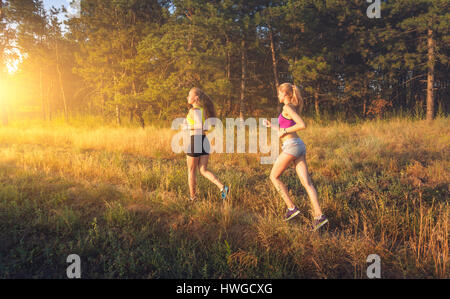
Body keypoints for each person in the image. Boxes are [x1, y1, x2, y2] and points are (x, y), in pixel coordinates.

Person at [265, 83, 328, 230]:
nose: (278, 96)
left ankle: (291, 208)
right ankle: (319, 216)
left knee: (273, 176)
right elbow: (285, 129)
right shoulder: (291, 107)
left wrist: (284, 130)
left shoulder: (287, 107)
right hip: (298, 145)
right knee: (307, 183)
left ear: (285, 94)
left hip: (292, 146)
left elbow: (301, 125)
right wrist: (272, 126)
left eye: (280, 93)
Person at [184, 87, 229, 201]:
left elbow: (200, 126)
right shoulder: (202, 110)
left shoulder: (194, 110)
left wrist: (188, 127)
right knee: (203, 170)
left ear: (196, 98)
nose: (187, 97)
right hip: (204, 140)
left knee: (191, 171)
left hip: (196, 140)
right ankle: (222, 187)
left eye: (190, 95)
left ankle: (193, 198)